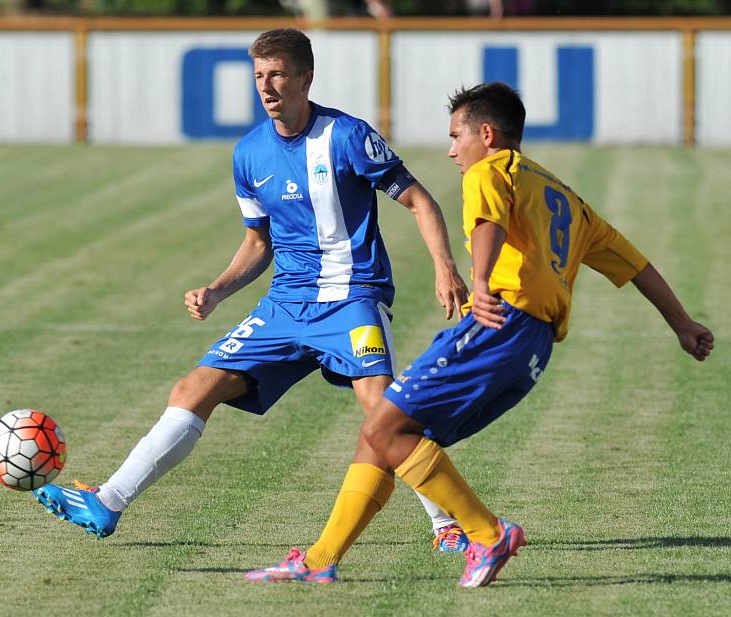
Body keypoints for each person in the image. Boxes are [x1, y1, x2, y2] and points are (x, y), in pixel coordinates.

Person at [245, 81, 715, 586]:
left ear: (486, 134)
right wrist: (682, 325)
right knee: (385, 434)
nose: (451, 151)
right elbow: (635, 263)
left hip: (497, 323)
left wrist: (483, 281)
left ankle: (485, 533)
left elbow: (487, 220)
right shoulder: (566, 197)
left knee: (383, 429)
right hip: (532, 349)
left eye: (455, 136)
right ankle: (321, 559)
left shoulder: (491, 169)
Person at [32, 28, 471, 551]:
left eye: (278, 74)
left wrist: (445, 267)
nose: (266, 86)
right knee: (192, 390)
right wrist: (217, 290)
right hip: (285, 305)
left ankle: (448, 525)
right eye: (259, 75)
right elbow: (258, 243)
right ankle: (109, 502)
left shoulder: (348, 137)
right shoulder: (249, 153)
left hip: (351, 298)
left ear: (305, 78)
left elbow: (421, 201)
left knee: (382, 409)